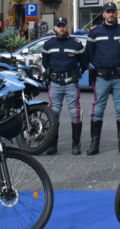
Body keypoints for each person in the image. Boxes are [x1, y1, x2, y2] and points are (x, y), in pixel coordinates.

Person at [85, 2, 120, 155]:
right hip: (101, 77)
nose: (110, 14)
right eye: (108, 12)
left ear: (116, 13)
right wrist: (99, 64)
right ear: (103, 14)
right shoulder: (94, 32)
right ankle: (95, 144)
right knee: (98, 110)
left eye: (113, 12)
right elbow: (90, 53)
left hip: (119, 77)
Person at [42, 17, 89, 155]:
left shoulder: (76, 44)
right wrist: (49, 71)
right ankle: (53, 144)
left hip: (71, 83)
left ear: (68, 27)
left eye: (63, 25)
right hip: (55, 83)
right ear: (55, 28)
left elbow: (84, 62)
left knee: (75, 113)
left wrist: (79, 72)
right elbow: (45, 63)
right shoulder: (48, 44)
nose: (61, 28)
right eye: (59, 26)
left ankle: (76, 144)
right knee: (54, 113)